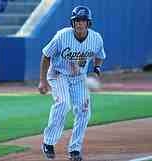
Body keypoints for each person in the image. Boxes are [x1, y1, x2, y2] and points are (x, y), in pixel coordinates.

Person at [39, 6, 106, 161]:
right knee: (63, 104)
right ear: (72, 22)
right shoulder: (62, 36)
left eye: (82, 20)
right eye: (76, 20)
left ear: (88, 23)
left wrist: (96, 69)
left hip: (79, 79)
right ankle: (48, 142)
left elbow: (100, 55)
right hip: (58, 74)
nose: (79, 24)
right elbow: (46, 55)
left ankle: (74, 149)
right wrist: (42, 81)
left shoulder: (96, 39)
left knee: (84, 111)